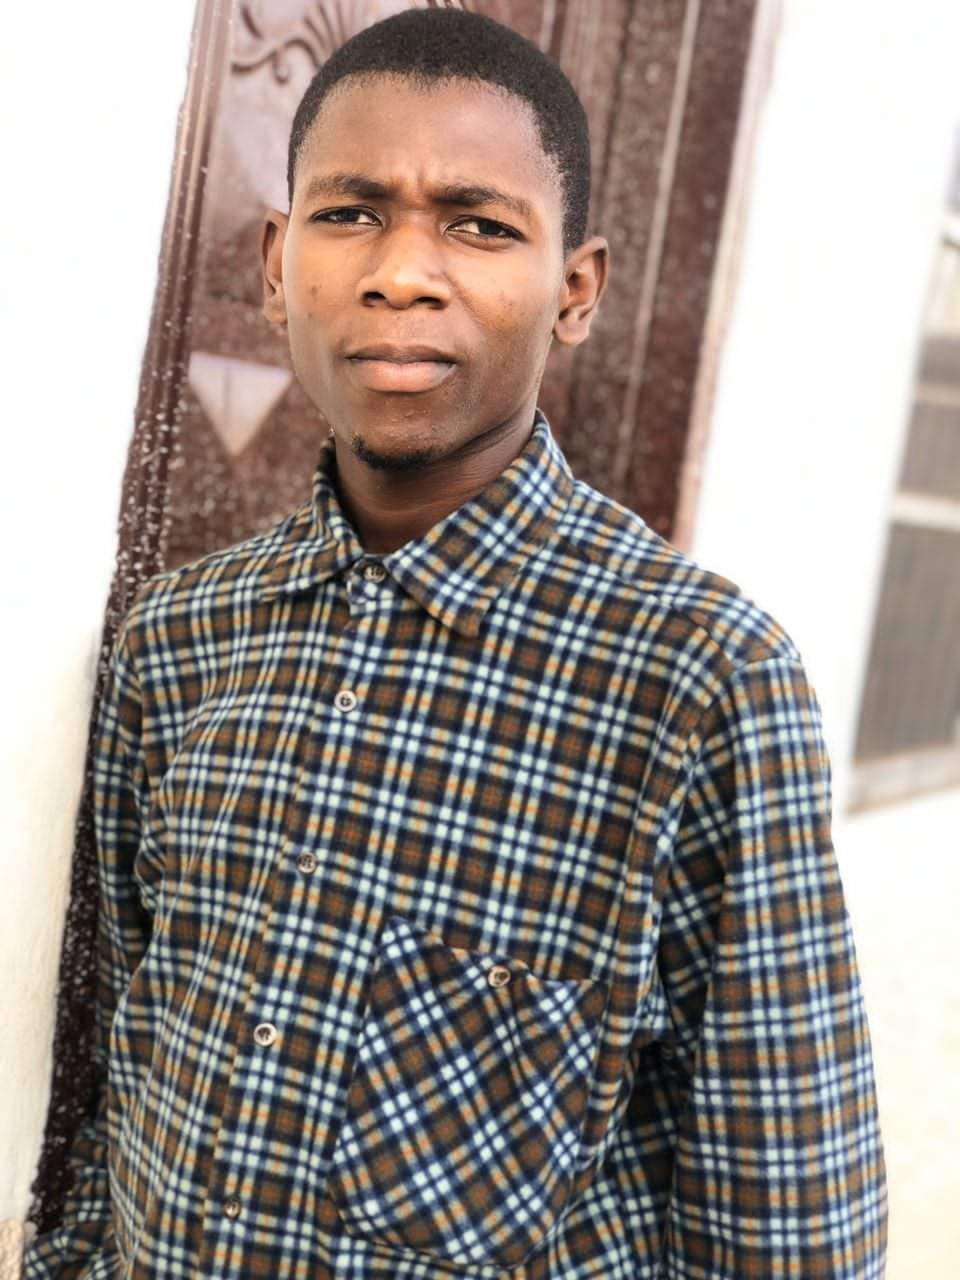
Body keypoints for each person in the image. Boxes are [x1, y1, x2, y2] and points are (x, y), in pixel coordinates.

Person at [24, 8, 887, 1278]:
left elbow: (789, 1216)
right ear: (275, 267)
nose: (402, 273)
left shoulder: (699, 676)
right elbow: (126, 1046)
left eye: (478, 225)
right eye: (349, 213)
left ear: (575, 290)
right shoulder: (180, 636)